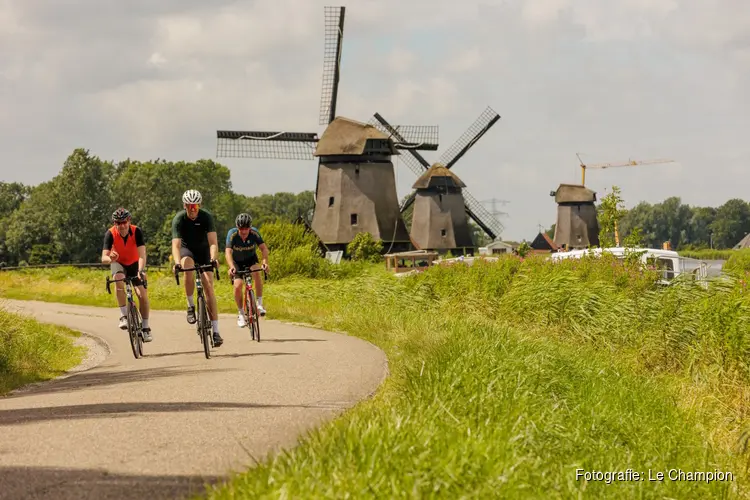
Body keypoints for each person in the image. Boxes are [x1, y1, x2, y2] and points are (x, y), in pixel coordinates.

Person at [171, 189, 223, 347]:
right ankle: (190, 305)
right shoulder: (179, 219)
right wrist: (177, 262)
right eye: (189, 206)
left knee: (209, 288)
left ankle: (215, 332)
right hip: (188, 251)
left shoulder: (206, 217)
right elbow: (176, 245)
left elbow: (213, 242)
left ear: (199, 205)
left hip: (204, 250)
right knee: (187, 265)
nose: (192, 209)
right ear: (185, 206)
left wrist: (214, 258)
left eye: (195, 206)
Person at [101, 208, 152, 342]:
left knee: (142, 295)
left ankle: (145, 328)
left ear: (129, 221)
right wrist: (110, 258)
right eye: (119, 223)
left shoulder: (136, 231)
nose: (122, 225)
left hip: (135, 263)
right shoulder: (110, 233)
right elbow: (103, 258)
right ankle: (124, 316)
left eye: (124, 222)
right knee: (118, 279)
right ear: (115, 223)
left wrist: (140, 270)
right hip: (119, 263)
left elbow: (142, 255)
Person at [225, 213, 270, 327]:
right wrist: (231, 266)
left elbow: (264, 248)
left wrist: (265, 262)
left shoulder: (254, 233)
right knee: (238, 285)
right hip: (237, 263)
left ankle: (259, 304)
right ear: (237, 227)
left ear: (250, 228)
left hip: (251, 260)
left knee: (256, 272)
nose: (244, 232)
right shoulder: (232, 234)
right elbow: (228, 252)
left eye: (246, 229)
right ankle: (241, 313)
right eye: (241, 229)